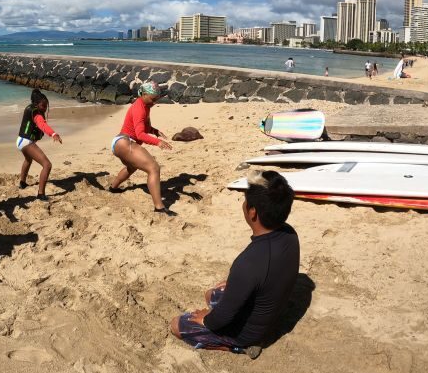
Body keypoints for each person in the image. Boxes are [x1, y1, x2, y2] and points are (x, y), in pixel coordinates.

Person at [170, 170, 299, 356]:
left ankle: (239, 346)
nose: (244, 204)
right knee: (211, 294)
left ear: (252, 212)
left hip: (248, 333)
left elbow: (220, 319)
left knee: (177, 325)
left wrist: (207, 320)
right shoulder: (289, 233)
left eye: (245, 201)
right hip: (270, 309)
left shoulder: (248, 263)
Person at [109, 81, 175, 215]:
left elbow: (142, 127)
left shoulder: (145, 105)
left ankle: (113, 188)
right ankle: (159, 207)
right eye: (152, 99)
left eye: (156, 99)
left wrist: (154, 131)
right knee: (153, 168)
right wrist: (157, 142)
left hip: (121, 142)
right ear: (143, 95)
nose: (154, 102)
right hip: (124, 141)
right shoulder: (139, 107)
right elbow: (140, 134)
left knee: (132, 167)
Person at [17, 89, 62, 200]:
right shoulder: (36, 114)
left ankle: (22, 183)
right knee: (47, 165)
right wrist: (53, 134)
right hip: (26, 142)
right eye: (43, 106)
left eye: (46, 106)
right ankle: (41, 194)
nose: (45, 108)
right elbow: (42, 125)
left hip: (20, 140)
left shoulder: (31, 108)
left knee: (28, 160)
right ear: (36, 104)